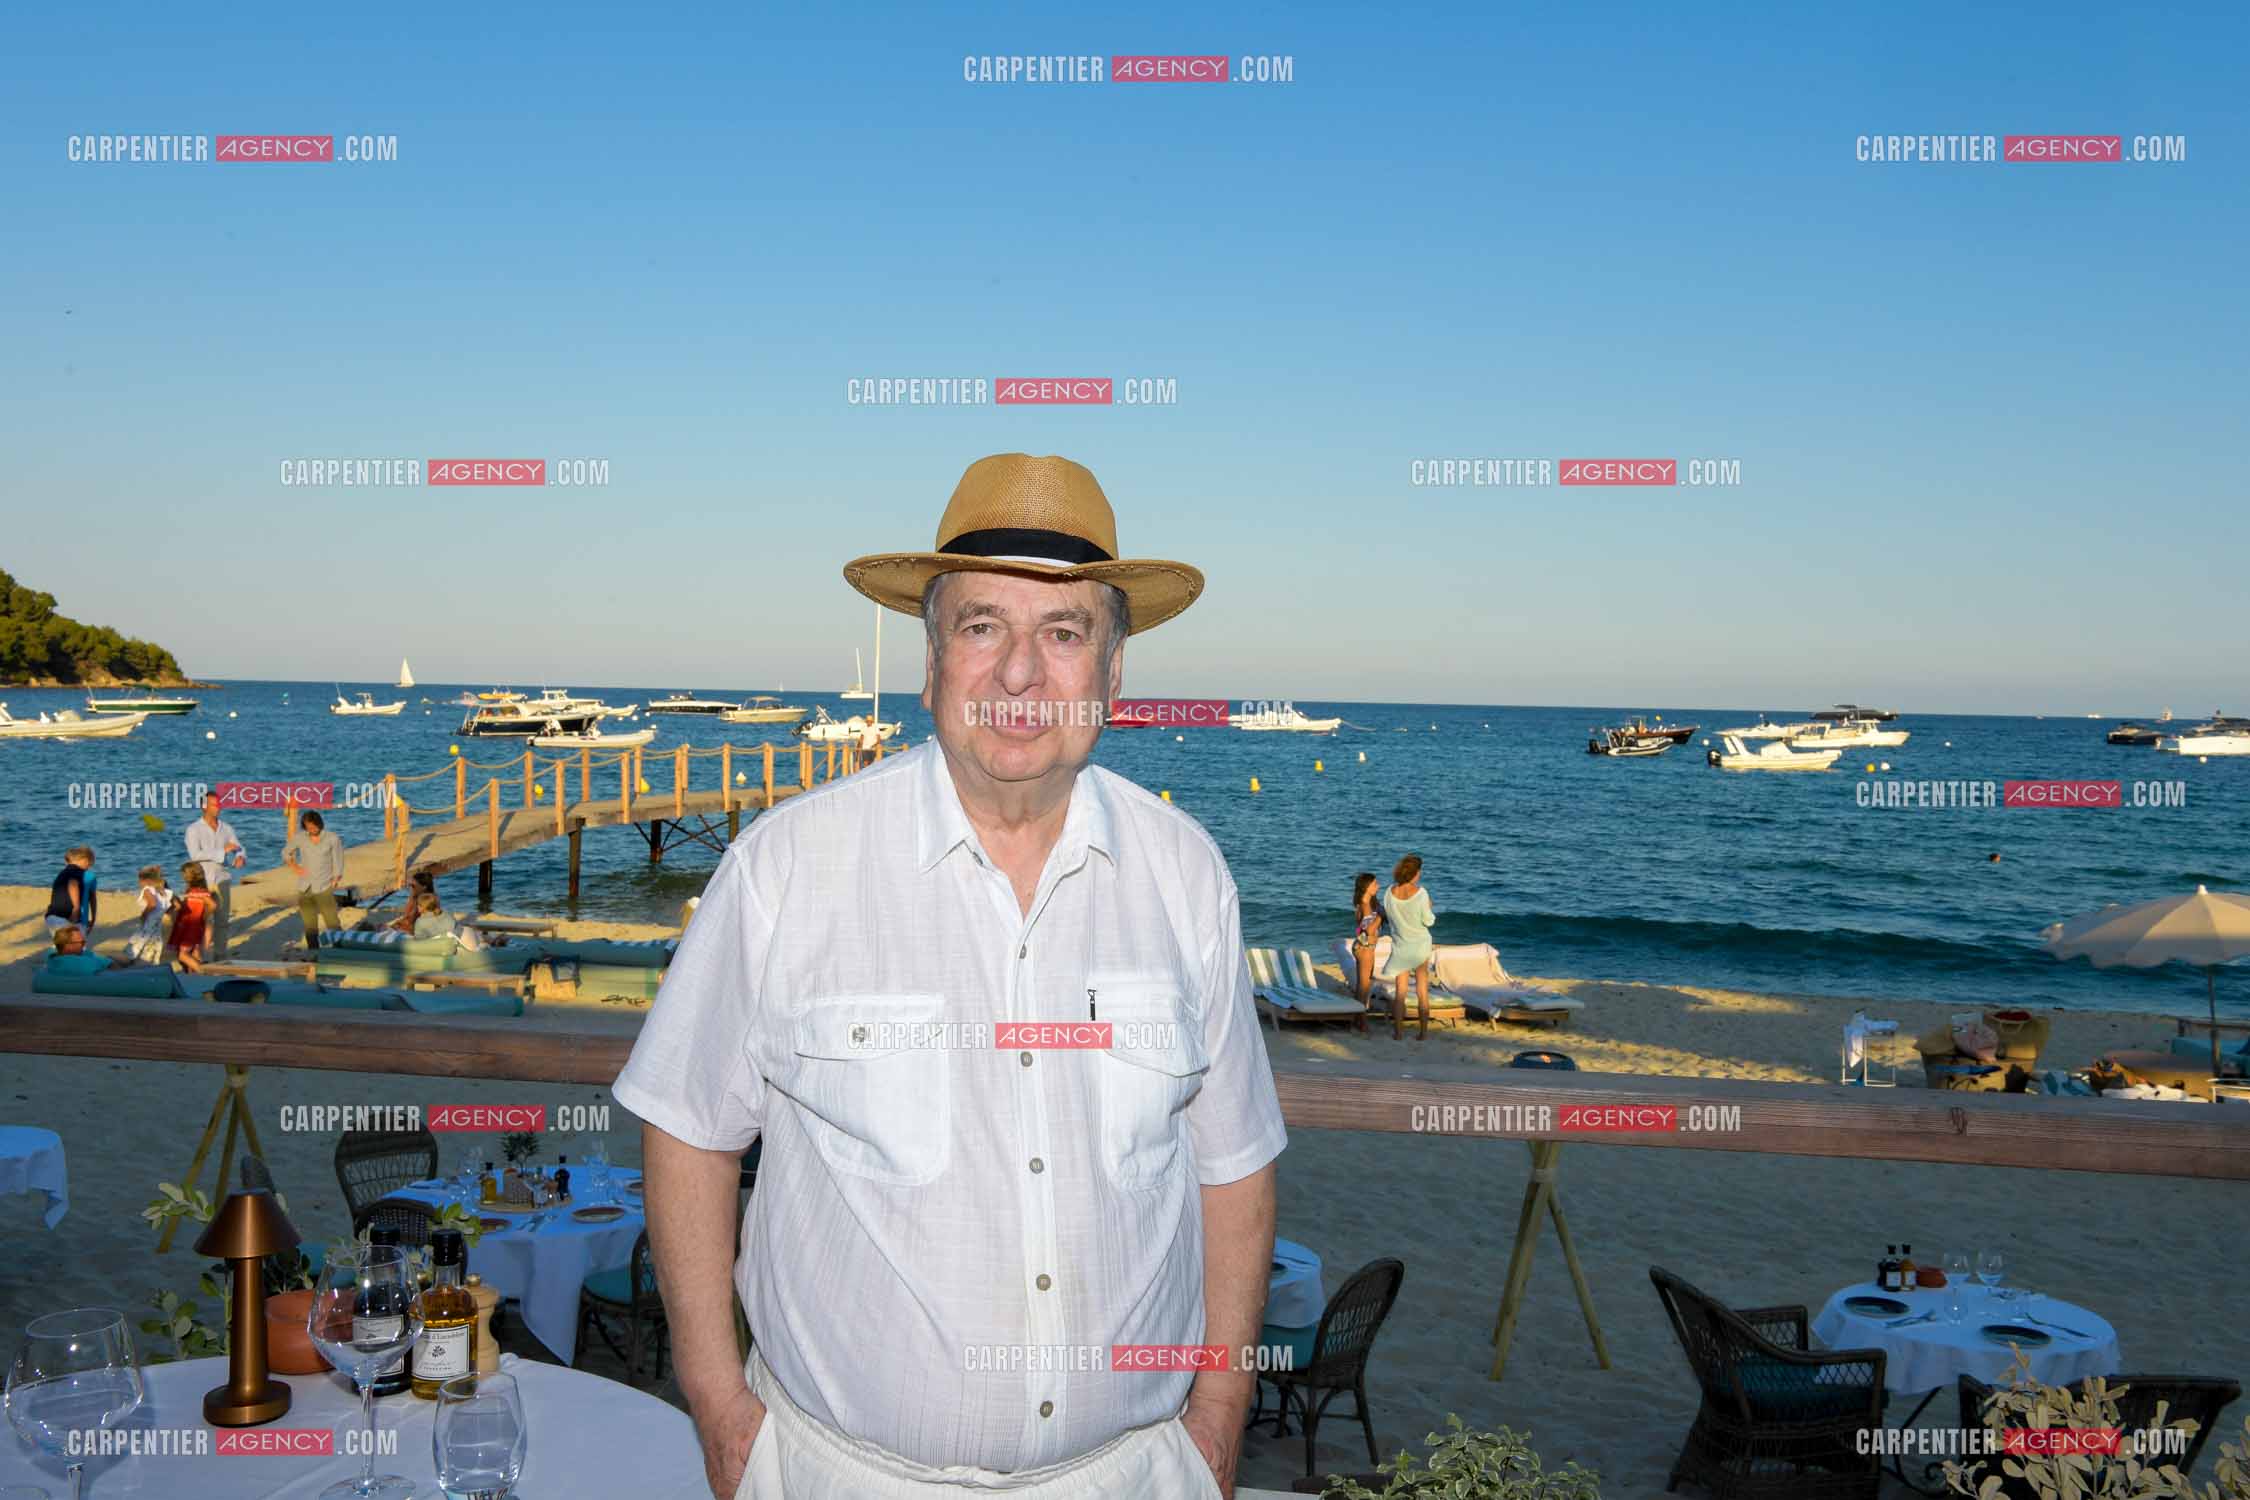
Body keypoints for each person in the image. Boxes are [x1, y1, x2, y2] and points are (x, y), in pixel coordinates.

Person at [614, 453, 1283, 1500]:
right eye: (983, 627)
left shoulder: (1186, 876)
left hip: (1132, 1476)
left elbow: (1233, 1164)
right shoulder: (788, 867)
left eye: (1063, 634)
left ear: (1112, 678)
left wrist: (1222, 1410)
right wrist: (717, 1400)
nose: (1020, 675)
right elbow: (689, 1126)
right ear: (931, 666)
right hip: (841, 1475)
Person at [1379, 853, 1437, 1041]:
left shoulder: (1389, 892)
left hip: (1400, 946)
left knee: (1400, 991)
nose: (1420, 874)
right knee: (1422, 989)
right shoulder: (1421, 894)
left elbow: (1388, 916)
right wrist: (1429, 906)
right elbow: (1428, 921)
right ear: (1414, 873)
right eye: (1419, 871)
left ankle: (1398, 1032)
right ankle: (1423, 1033)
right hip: (1420, 946)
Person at [184, 793, 246, 958]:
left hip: (223, 877)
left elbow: (238, 846)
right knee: (200, 920)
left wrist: (240, 856)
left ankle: (220, 955)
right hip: (201, 880)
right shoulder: (193, 829)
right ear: (204, 806)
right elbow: (194, 855)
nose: (219, 807)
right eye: (214, 805)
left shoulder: (227, 828)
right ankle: (198, 956)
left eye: (219, 804)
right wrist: (222, 852)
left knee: (222, 920)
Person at [285, 811, 347, 945]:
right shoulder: (300, 837)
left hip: (324, 886)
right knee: (310, 924)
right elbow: (285, 852)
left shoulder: (332, 838)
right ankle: (314, 952)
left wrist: (336, 878)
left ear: (320, 823)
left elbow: (338, 860)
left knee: (332, 921)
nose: (312, 829)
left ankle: (341, 949)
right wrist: (295, 867)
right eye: (308, 827)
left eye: (314, 826)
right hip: (305, 887)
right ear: (304, 826)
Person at [167, 862, 219, 972]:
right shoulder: (193, 891)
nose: (183, 877)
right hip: (190, 927)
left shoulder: (198, 892)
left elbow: (213, 905)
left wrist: (204, 915)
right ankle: (195, 976)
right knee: (193, 955)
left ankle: (201, 971)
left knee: (182, 955)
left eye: (184, 875)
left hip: (192, 927)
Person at [125, 864, 172, 963]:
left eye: (139, 880)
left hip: (149, 921)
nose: (139, 883)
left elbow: (152, 904)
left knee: (140, 941)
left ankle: (134, 960)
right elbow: (168, 905)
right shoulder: (161, 891)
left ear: (146, 880)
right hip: (157, 923)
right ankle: (148, 961)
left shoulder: (147, 890)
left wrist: (144, 914)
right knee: (152, 942)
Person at [44, 846, 96, 936]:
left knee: (64, 946)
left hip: (52, 917)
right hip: (64, 918)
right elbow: (73, 884)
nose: (87, 869)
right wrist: (76, 908)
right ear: (85, 860)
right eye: (89, 865)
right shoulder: (77, 870)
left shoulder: (64, 872)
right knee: (75, 945)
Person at [1348, 871, 1383, 1002]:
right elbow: (1368, 930)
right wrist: (1381, 916)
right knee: (1363, 986)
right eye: (1375, 884)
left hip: (1364, 945)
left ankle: (1358, 1018)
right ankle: (1361, 1020)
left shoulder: (1366, 903)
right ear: (1366, 886)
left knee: (1362, 986)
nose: (1378, 886)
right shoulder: (1365, 905)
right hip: (1365, 947)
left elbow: (1360, 930)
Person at [46, 925, 129, 975]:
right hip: (106, 969)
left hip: (104, 961)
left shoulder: (52, 960)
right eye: (81, 942)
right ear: (68, 946)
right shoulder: (80, 963)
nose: (84, 945)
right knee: (122, 960)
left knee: (121, 959)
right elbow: (104, 964)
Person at [386, 868, 439, 933]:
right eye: (410, 885)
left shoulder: (426, 900)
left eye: (413, 886)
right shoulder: (416, 895)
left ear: (424, 887)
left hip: (417, 930)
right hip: (414, 927)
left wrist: (399, 925)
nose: (411, 887)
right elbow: (407, 916)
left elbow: (414, 921)